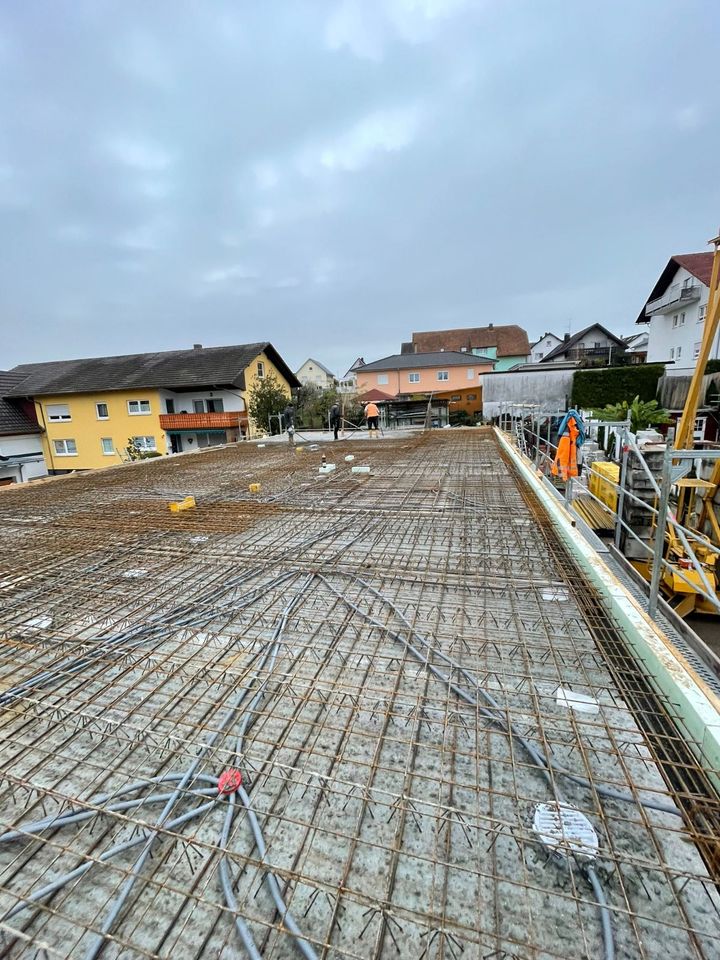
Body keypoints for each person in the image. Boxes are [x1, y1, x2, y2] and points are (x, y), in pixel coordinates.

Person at [551, 409, 585, 482]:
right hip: (569, 468)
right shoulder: (569, 432)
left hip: (570, 467)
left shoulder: (570, 431)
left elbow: (562, 455)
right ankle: (563, 477)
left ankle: (563, 476)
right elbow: (563, 456)